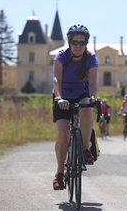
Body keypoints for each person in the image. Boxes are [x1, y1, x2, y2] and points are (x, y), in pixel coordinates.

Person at [52, 24, 98, 190]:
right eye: (75, 42)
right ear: (69, 42)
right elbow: (57, 80)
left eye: (82, 42)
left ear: (86, 43)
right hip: (62, 96)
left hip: (81, 94)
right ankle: (59, 173)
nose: (78, 46)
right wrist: (59, 98)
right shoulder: (61, 56)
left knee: (87, 107)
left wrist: (92, 98)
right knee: (63, 135)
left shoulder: (91, 58)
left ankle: (86, 149)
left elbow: (92, 82)